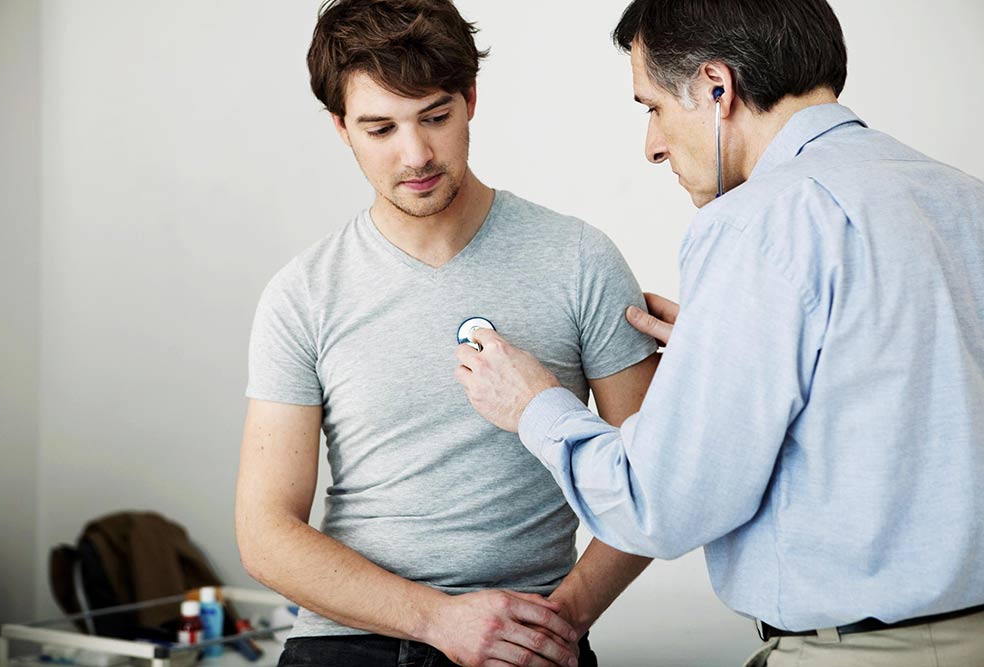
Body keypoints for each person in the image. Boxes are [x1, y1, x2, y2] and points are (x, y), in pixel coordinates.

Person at [455, 0, 984, 665]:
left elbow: (660, 504)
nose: (651, 144)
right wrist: (738, 350)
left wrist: (534, 403)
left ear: (716, 87)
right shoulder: (963, 199)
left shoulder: (757, 222)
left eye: (651, 106)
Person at [235, 1, 659, 666]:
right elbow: (264, 532)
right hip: (348, 643)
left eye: (436, 116)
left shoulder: (580, 261)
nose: (417, 154)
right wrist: (437, 620)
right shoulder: (303, 292)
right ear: (341, 129)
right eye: (380, 128)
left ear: (470, 100)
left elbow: (654, 476)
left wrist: (560, 620)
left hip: (527, 639)